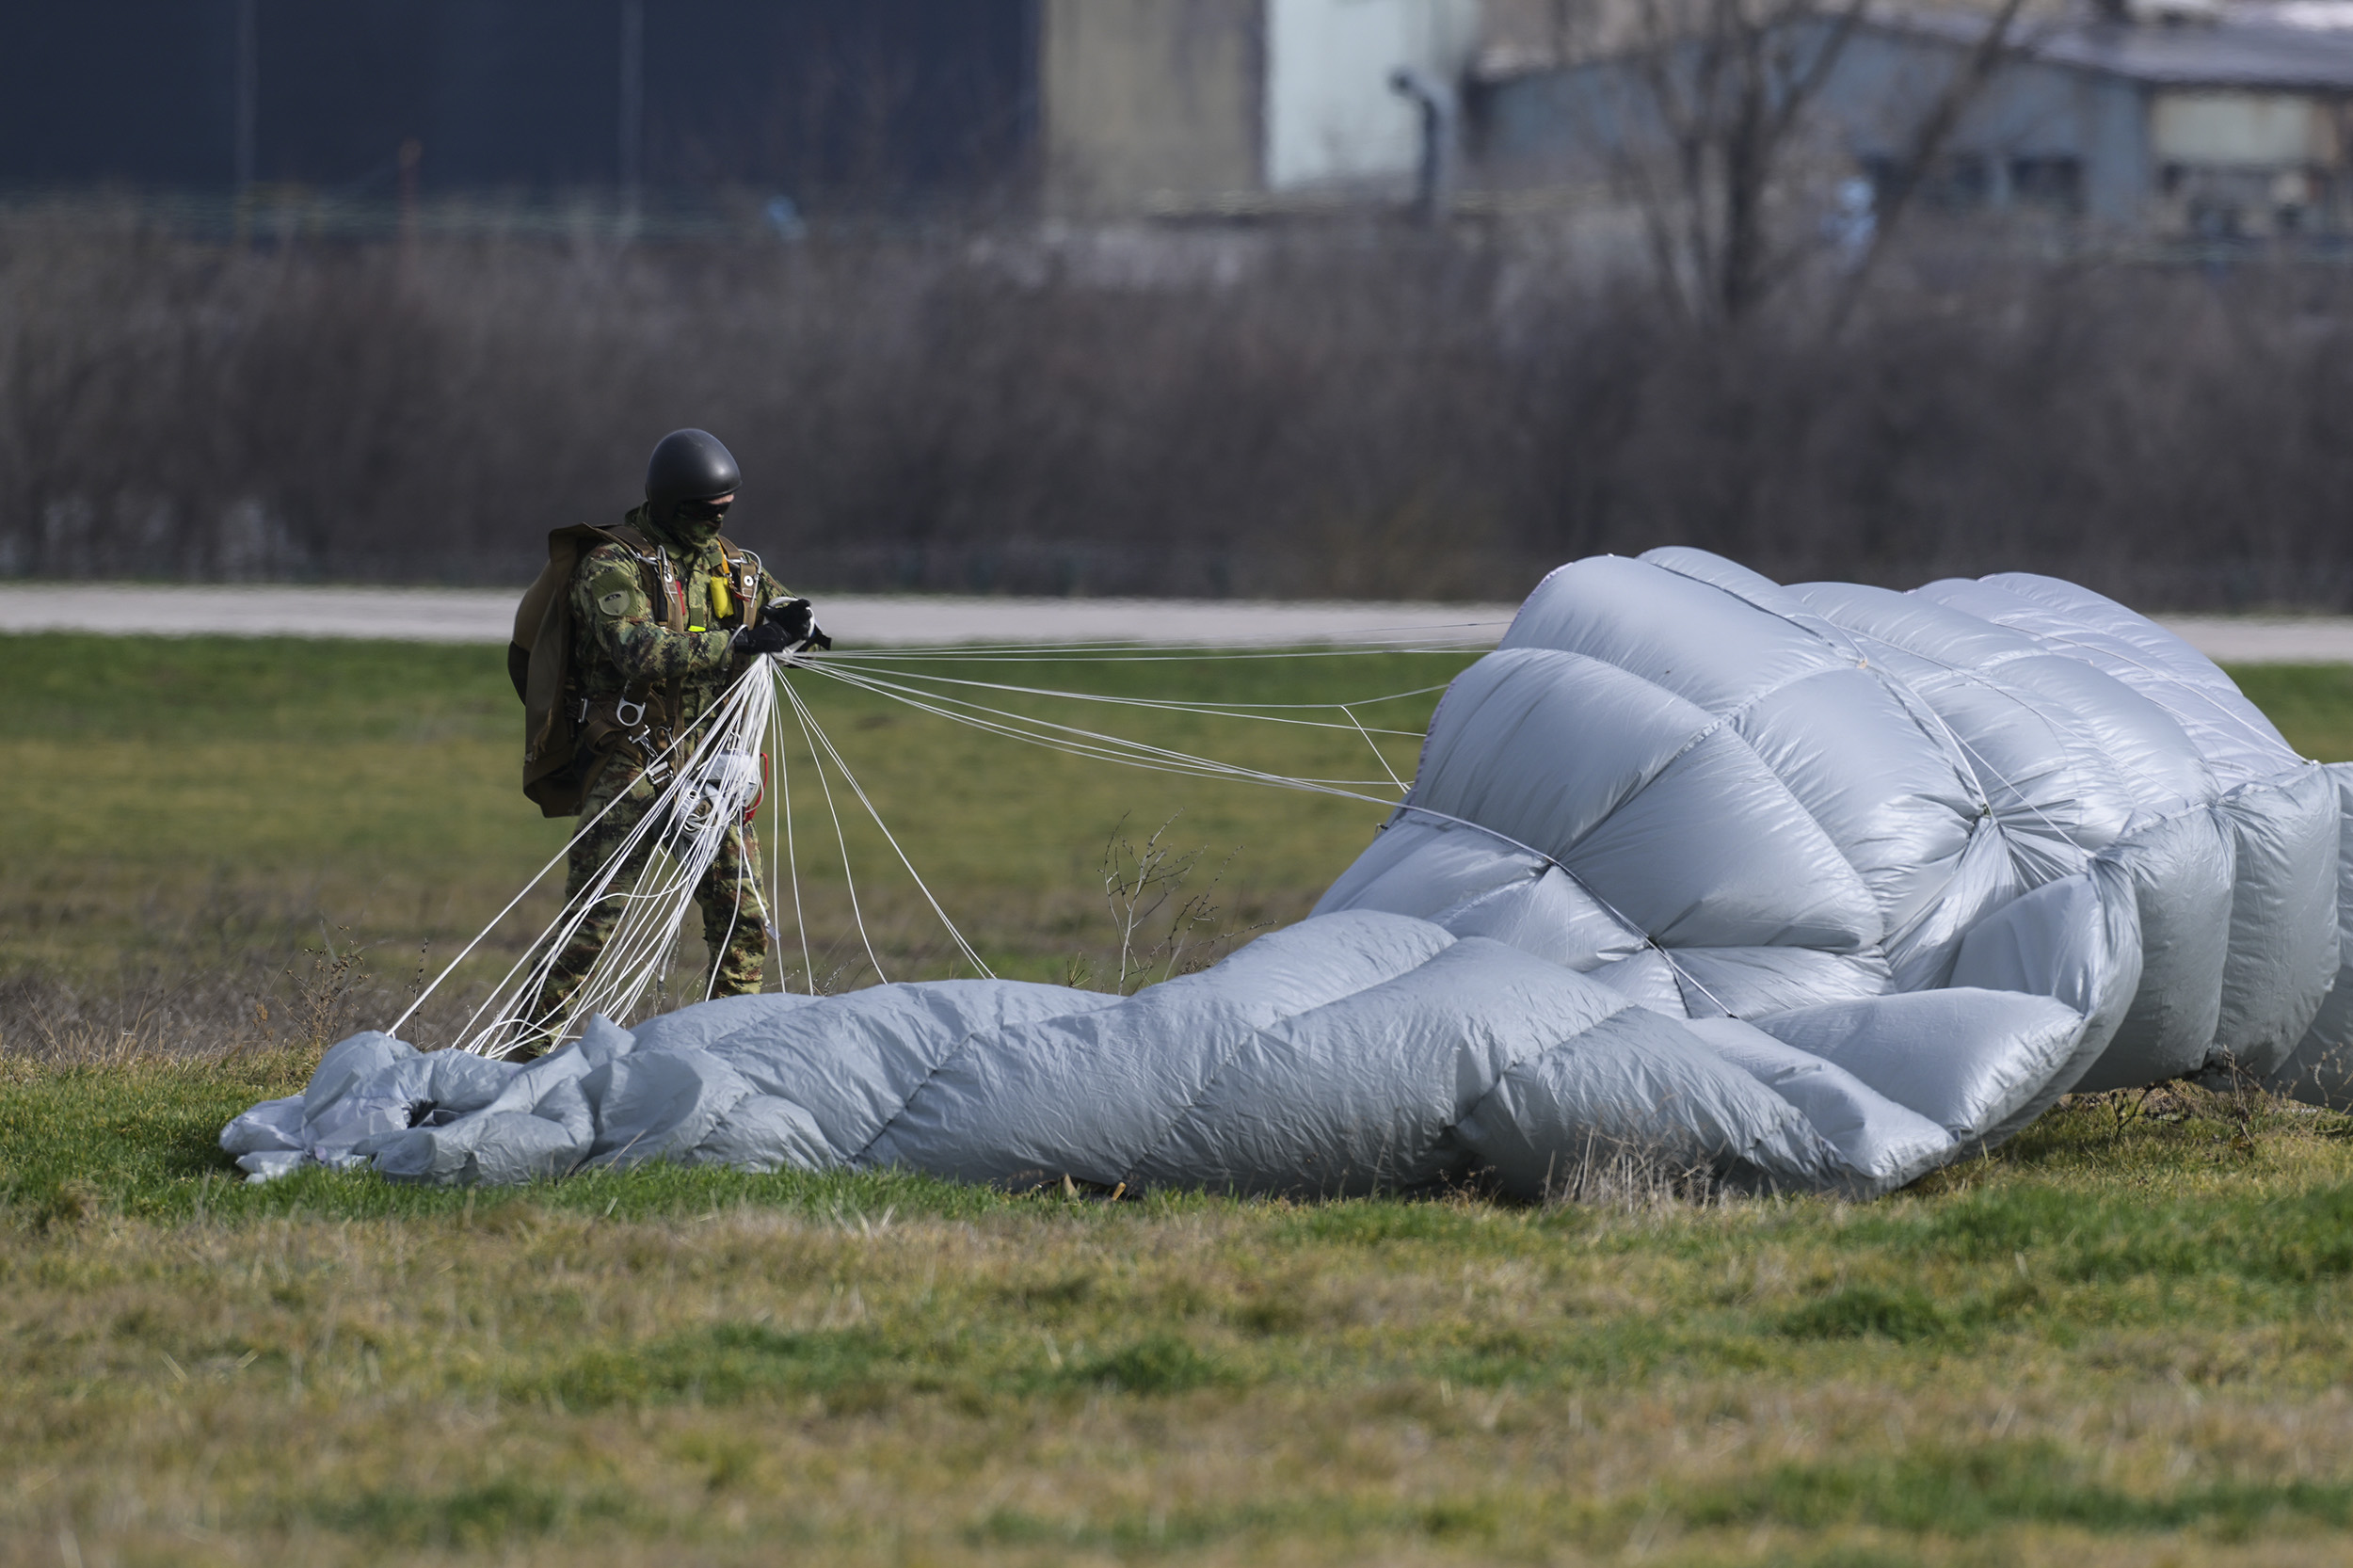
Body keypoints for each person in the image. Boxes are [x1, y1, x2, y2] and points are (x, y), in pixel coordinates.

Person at [532, 428, 823, 1027]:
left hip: (712, 773)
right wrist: (739, 641)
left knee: (743, 921)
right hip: (635, 764)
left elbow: (778, 618)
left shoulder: (737, 568)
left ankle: (722, 1047)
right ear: (671, 504)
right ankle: (524, 1051)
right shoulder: (611, 565)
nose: (715, 523)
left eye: (724, 511)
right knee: (594, 921)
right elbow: (636, 648)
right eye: (703, 513)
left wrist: (798, 628)